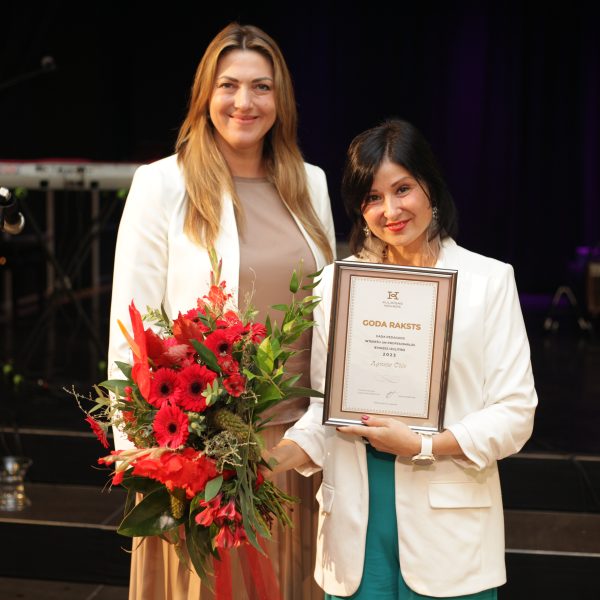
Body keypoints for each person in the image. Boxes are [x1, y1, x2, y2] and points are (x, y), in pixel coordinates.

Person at [107, 22, 336, 600]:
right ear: (205, 94)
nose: (244, 102)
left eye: (261, 87)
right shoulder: (162, 184)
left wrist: (314, 438)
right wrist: (142, 454)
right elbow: (131, 325)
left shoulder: (311, 184)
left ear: (281, 100)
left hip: (296, 453)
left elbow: (331, 318)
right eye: (228, 85)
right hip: (198, 458)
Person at [265, 119, 538, 599]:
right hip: (355, 532)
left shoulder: (487, 281)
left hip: (450, 534)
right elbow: (325, 410)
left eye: (403, 189)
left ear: (430, 185)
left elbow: (516, 413)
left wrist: (425, 445)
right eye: (372, 197)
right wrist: (270, 461)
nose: (389, 210)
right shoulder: (337, 284)